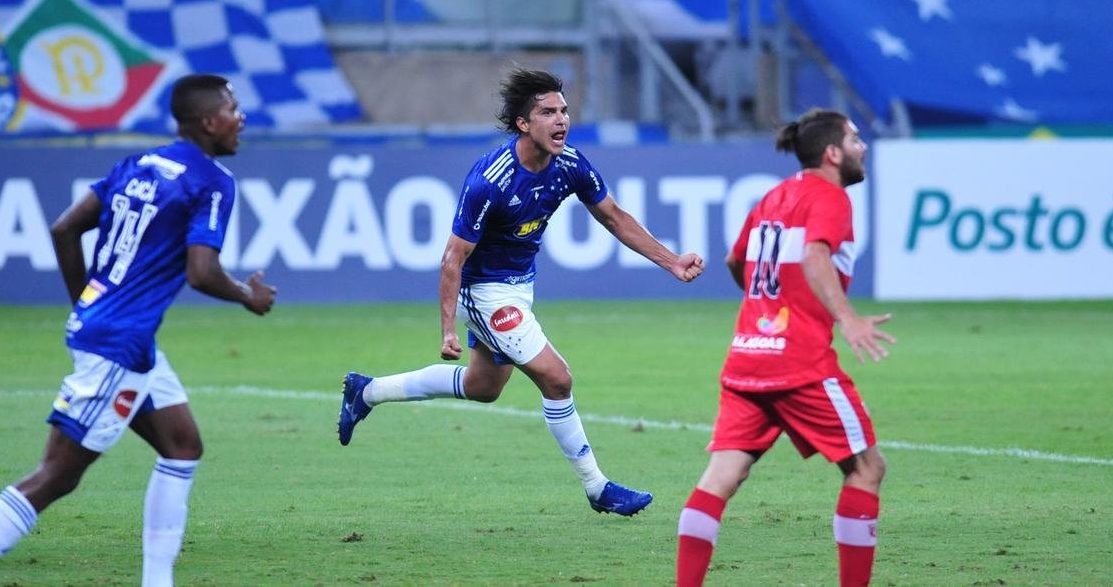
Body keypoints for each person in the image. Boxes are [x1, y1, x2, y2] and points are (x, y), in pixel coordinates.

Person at [338, 67, 704, 516]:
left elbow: (614, 216)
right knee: (557, 378)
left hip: (520, 287)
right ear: (523, 123)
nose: (561, 119)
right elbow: (453, 258)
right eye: (548, 112)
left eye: (564, 110)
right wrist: (448, 329)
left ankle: (367, 391)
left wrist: (671, 261)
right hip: (484, 293)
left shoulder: (569, 164)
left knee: (483, 387)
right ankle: (598, 488)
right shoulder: (491, 180)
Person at [0, 74, 276, 586]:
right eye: (232, 109)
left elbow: (64, 228)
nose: (240, 118)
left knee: (182, 446)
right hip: (119, 344)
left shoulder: (138, 164)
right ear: (208, 122)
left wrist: (88, 304)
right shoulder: (211, 180)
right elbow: (201, 272)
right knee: (56, 475)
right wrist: (248, 295)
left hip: (123, 339)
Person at [675, 109, 895, 587]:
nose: (862, 148)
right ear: (832, 153)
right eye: (854, 140)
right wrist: (848, 319)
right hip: (801, 363)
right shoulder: (831, 197)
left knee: (721, 477)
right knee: (866, 467)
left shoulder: (774, 196)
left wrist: (767, 306)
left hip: (747, 357)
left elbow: (736, 259)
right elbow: (814, 255)